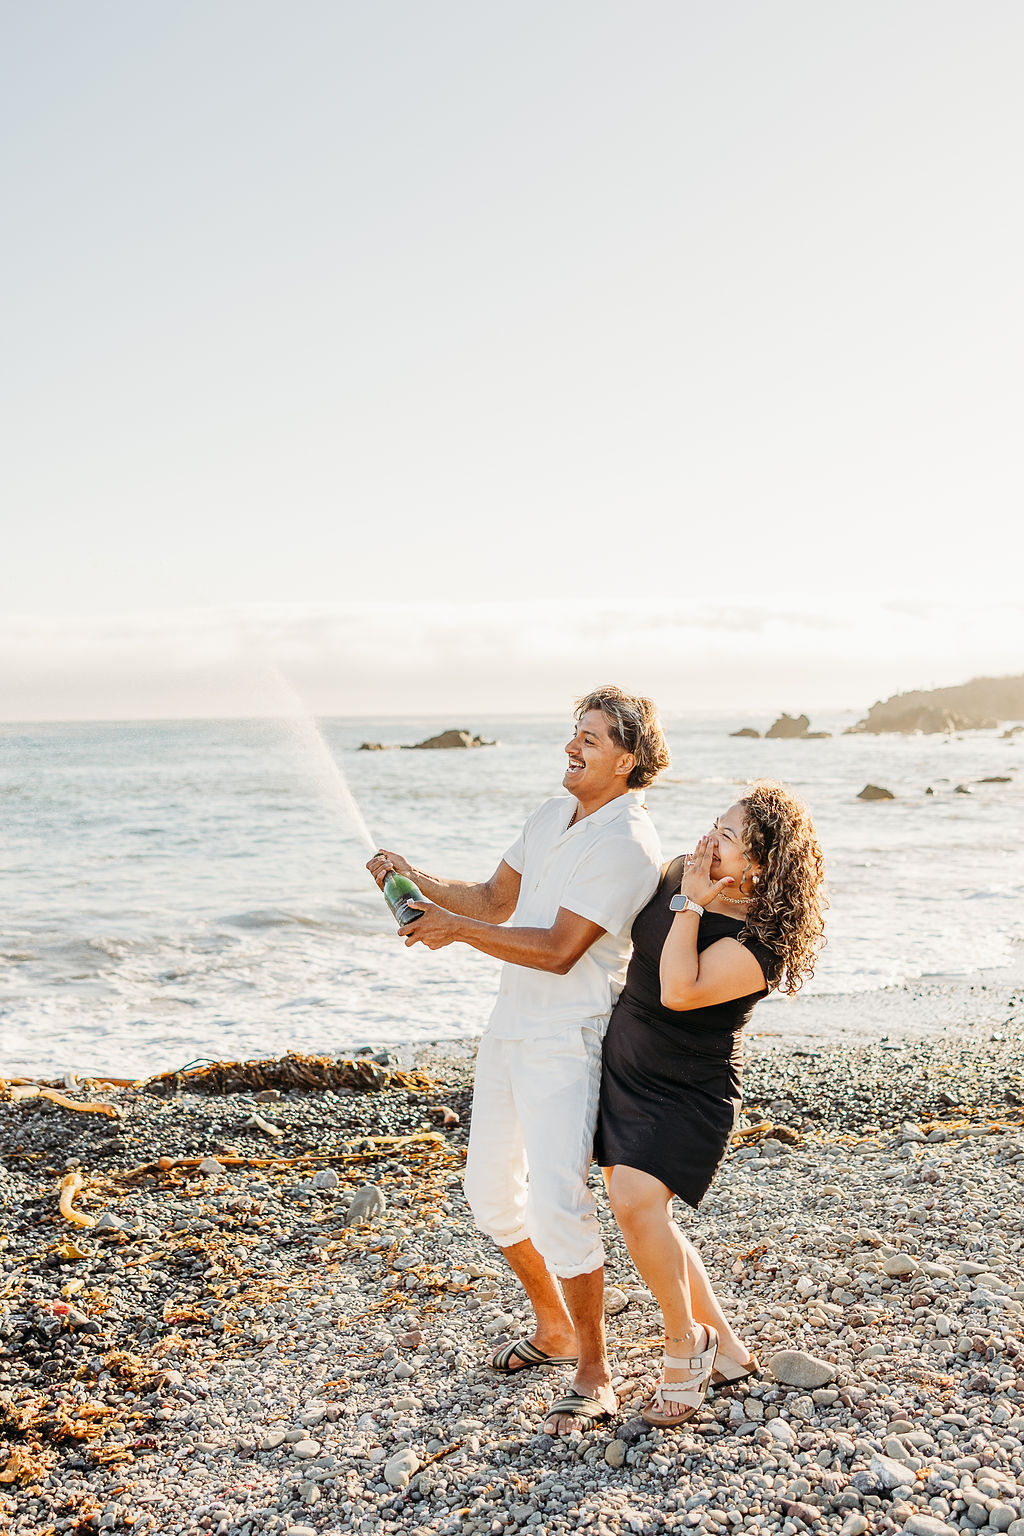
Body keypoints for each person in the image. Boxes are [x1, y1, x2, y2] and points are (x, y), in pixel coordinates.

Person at [367, 686, 668, 1435]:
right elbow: (494, 898)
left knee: (559, 1201)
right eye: (574, 733)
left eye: (591, 739)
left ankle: (596, 1370)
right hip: (508, 1027)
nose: (572, 746)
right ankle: (553, 1327)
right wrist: (413, 878)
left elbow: (562, 950)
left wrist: (455, 931)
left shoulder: (629, 842)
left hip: (567, 1037)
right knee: (489, 1194)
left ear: (627, 759)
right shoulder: (551, 815)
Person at [594, 780, 827, 1427]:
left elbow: (679, 989)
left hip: (688, 1090)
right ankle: (726, 1350)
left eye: (728, 836)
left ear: (762, 864)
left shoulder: (762, 943)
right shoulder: (679, 872)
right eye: (715, 824)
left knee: (635, 1203)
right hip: (626, 1069)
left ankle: (686, 1342)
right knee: (646, 1214)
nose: (709, 838)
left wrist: (691, 905)